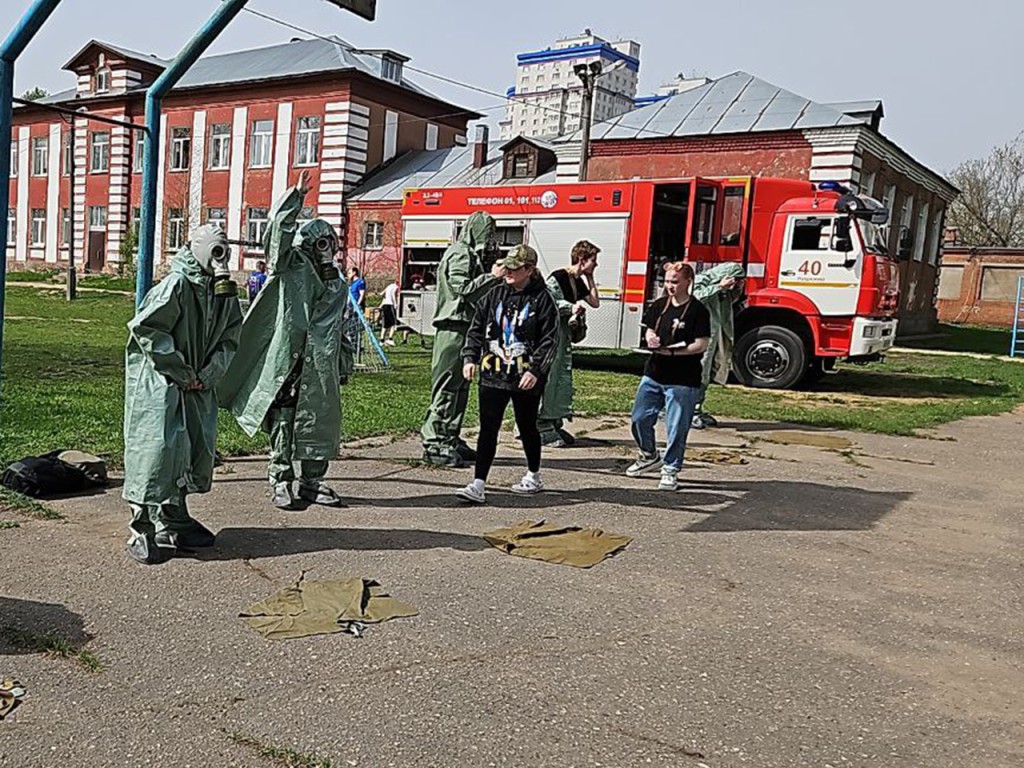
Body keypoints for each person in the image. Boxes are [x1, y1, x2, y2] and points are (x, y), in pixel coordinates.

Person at [218, 170, 348, 510]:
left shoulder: (338, 284)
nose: (325, 249)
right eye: (318, 243)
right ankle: (280, 478)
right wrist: (295, 198)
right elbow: (276, 235)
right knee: (283, 420)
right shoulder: (289, 266)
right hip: (288, 360)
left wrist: (344, 363)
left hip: (320, 366)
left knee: (319, 421)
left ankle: (312, 482)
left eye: (329, 242)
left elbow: (340, 327)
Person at [122, 223, 242, 565]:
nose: (220, 257)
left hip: (196, 384)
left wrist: (208, 374)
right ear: (197, 248)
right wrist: (180, 370)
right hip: (160, 383)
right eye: (214, 250)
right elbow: (146, 328)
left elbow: (231, 336)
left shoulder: (222, 293)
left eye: (224, 250)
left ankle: (174, 518)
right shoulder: (176, 285)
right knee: (156, 452)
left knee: (190, 449)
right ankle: (141, 526)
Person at [456, 244, 559, 504]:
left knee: (526, 427)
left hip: (525, 376)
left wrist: (536, 371)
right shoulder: (493, 294)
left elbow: (550, 340)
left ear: (529, 270)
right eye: (507, 266)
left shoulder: (543, 300)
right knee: (488, 428)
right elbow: (476, 328)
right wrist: (470, 357)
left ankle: (533, 475)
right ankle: (478, 484)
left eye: (515, 267)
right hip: (493, 372)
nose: (508, 271)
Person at [420, 211, 502, 467]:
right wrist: (492, 276)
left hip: (465, 328)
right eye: (487, 233)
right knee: (447, 387)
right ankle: (434, 441)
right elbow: (463, 289)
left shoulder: (470, 254)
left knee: (460, 387)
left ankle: (450, 436)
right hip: (453, 328)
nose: (490, 240)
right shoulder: (460, 253)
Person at [627, 261, 711, 492]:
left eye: (675, 282)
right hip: (655, 371)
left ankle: (671, 469)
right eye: (667, 282)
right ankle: (648, 454)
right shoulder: (659, 304)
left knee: (676, 426)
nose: (670, 286)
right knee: (640, 417)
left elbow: (701, 344)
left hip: (683, 377)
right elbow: (649, 327)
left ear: (687, 282)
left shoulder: (697, 310)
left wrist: (675, 351)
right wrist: (651, 337)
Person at [537, 239, 601, 447]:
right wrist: (570, 307)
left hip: (563, 337)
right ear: (582, 259)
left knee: (560, 379)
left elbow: (595, 302)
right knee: (550, 378)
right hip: (551, 336)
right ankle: (540, 424)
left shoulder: (577, 281)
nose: (596, 264)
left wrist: (591, 278)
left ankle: (554, 419)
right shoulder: (558, 277)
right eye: (594, 260)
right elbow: (549, 301)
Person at [691, 262, 746, 429]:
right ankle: (689, 411)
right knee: (698, 373)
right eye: (735, 280)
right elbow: (694, 297)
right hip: (700, 337)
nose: (735, 283)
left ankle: (697, 408)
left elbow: (730, 301)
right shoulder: (701, 280)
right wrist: (718, 287)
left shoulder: (726, 290)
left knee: (706, 374)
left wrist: (735, 289)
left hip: (715, 336)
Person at [380, 278, 399, 346]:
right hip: (390, 305)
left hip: (385, 305)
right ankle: (390, 339)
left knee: (385, 324)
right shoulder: (396, 287)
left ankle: (382, 340)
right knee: (394, 324)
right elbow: (393, 294)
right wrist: (395, 303)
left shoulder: (389, 286)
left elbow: (381, 293)